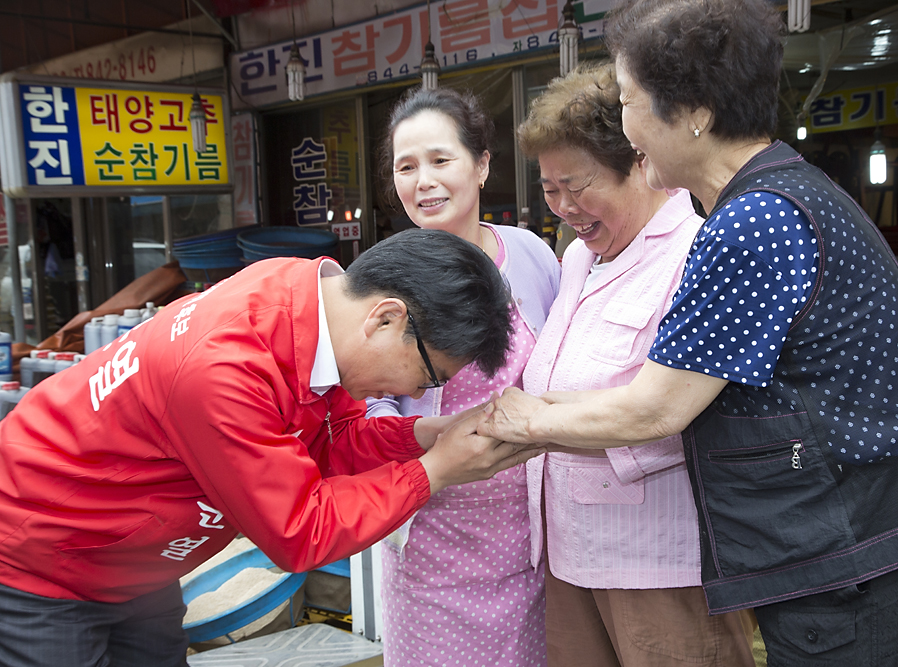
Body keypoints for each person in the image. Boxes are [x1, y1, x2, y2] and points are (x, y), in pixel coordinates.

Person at [480, 0, 898, 664]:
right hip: (880, 543)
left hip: (862, 564)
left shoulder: (751, 224)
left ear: (693, 112)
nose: (624, 126)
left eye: (631, 100)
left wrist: (525, 420)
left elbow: (657, 405)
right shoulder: (781, 194)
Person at [0, 229, 540, 667]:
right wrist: (435, 471)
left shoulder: (309, 304)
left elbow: (336, 440)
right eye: (426, 377)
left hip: (135, 563)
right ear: (387, 318)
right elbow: (301, 529)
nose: (414, 396)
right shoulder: (226, 367)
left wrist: (427, 435)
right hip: (47, 556)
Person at [515, 64, 755, 667]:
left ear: (641, 165)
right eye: (549, 189)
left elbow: (681, 414)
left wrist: (529, 423)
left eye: (578, 185)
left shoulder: (696, 254)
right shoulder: (575, 260)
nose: (564, 206)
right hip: (569, 552)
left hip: (658, 564)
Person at [367, 86, 560, 666]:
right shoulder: (385, 280)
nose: (422, 180)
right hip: (432, 536)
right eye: (406, 166)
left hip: (533, 539)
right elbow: (362, 408)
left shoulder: (530, 253)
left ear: (481, 164)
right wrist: (438, 439)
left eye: (439, 160)